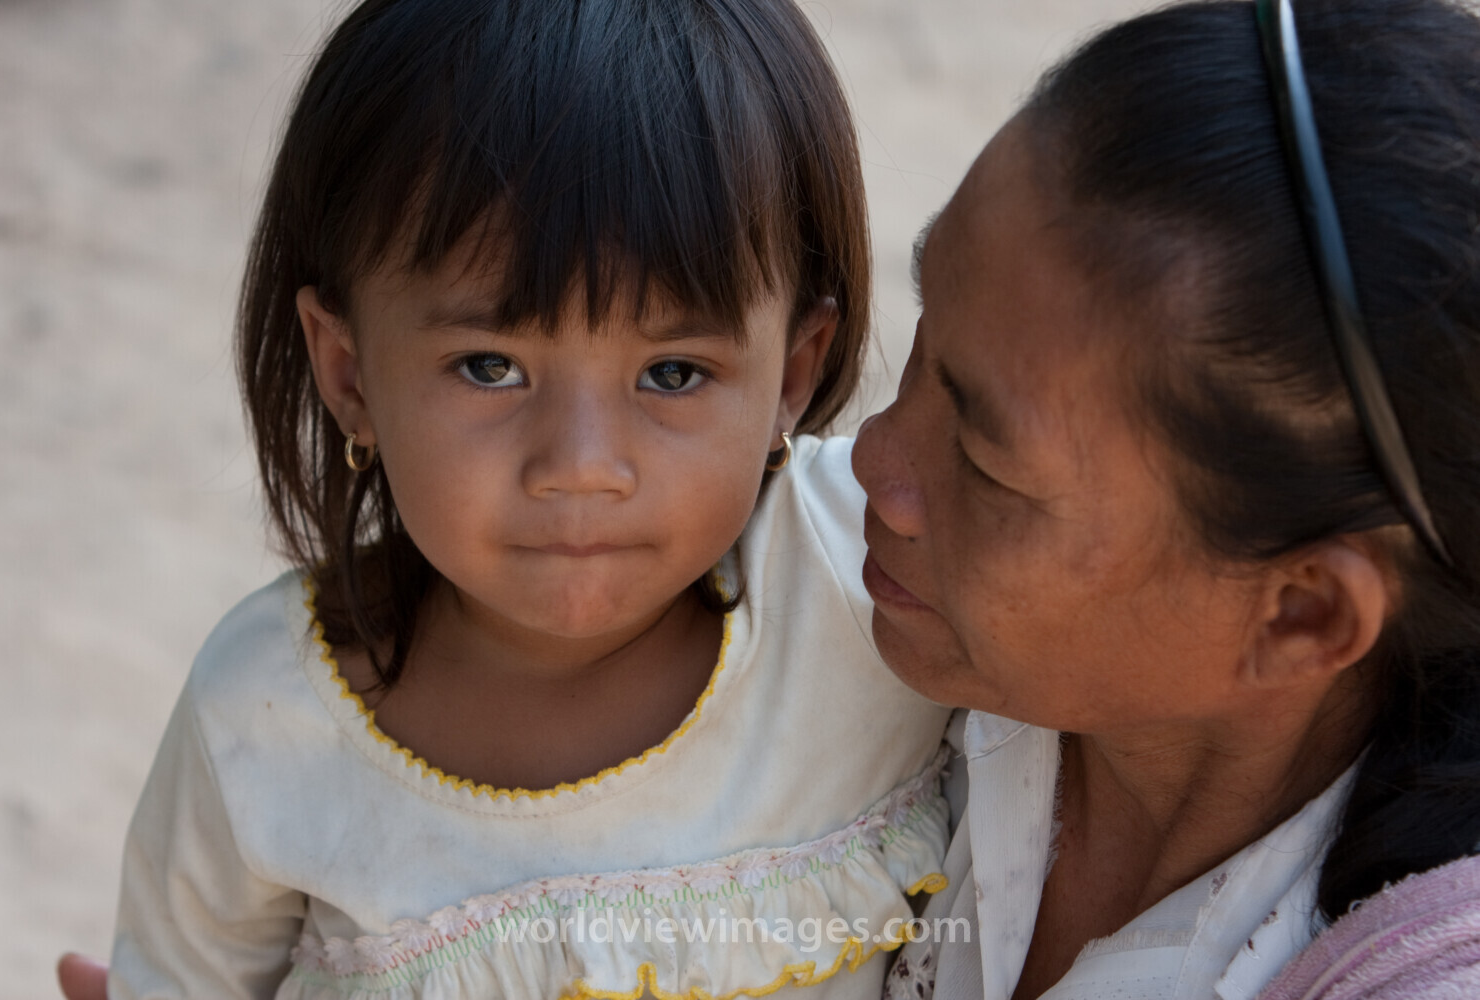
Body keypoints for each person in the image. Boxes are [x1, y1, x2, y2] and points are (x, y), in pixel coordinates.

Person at [93, 0, 954, 997]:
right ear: (350, 373)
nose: (582, 465)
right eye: (490, 367)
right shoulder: (263, 718)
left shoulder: (866, 577)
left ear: (791, 377)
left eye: (673, 373)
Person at [859, 0, 1480, 996]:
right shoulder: (802, 603)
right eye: (926, 343)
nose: (872, 463)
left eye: (985, 464)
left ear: (1301, 612)